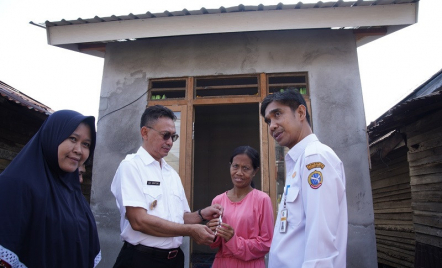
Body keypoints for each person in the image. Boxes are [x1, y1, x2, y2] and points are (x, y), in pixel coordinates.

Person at [111, 105, 222, 268]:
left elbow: (180, 218)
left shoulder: (171, 173)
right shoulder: (131, 166)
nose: (169, 142)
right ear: (145, 132)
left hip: (174, 260)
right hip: (142, 260)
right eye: (165, 135)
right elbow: (139, 221)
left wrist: (202, 214)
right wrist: (191, 231)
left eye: (173, 137)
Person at [0, 110, 101, 268]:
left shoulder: (73, 193)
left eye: (86, 144)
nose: (79, 150)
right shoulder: (15, 185)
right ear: (52, 136)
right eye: (73, 138)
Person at [261, 89, 348, 267]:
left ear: (300, 112)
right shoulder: (300, 160)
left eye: (277, 114)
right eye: (268, 121)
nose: (271, 126)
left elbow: (320, 239)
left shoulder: (314, 158)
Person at [207, 146, 274, 268]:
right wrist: (212, 232)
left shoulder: (262, 200)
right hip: (222, 263)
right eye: (235, 166)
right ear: (230, 166)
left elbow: (266, 243)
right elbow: (214, 243)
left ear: (255, 171)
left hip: (250, 264)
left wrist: (234, 241)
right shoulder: (218, 200)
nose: (239, 173)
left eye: (246, 168)